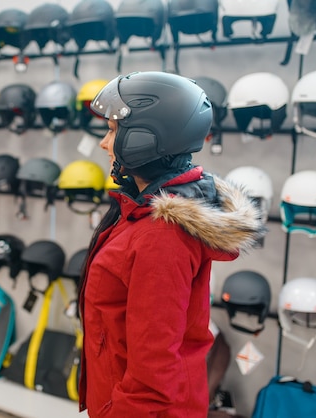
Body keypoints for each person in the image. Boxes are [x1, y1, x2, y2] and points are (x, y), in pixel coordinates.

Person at [77, 71, 266, 417]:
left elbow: (153, 373)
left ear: (145, 139)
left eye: (113, 131)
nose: (104, 143)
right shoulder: (141, 210)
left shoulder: (161, 236)